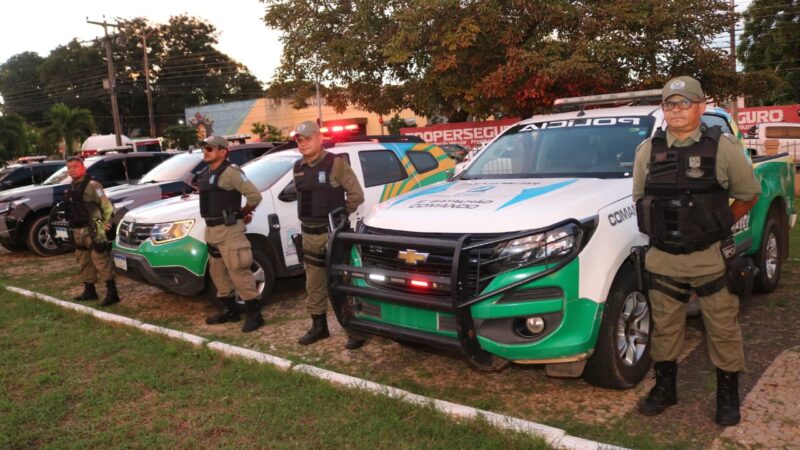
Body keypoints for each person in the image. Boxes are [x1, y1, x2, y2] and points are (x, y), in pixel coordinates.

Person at [633, 76, 761, 426]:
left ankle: (728, 396)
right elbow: (640, 199)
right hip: (663, 258)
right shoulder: (647, 151)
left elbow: (749, 194)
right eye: (670, 104)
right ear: (664, 109)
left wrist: (717, 224)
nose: (676, 110)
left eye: (684, 103)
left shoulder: (724, 148)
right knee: (664, 329)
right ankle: (666, 389)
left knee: (722, 328)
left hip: (709, 259)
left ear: (701, 106)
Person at [292, 120, 366, 349]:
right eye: (299, 140)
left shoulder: (336, 164)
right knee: (313, 284)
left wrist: (340, 218)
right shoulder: (298, 167)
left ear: (319, 138)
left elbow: (356, 195)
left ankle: (354, 329)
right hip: (309, 234)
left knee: (343, 282)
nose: (303, 144)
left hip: (332, 235)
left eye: (308, 139)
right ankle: (319, 326)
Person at [198, 135, 264, 333]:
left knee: (239, 271)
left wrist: (242, 213)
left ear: (222, 151)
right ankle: (230, 310)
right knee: (217, 272)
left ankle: (255, 314)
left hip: (230, 232)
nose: (205, 152)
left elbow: (254, 196)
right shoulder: (206, 172)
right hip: (211, 230)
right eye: (204, 148)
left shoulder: (231, 173)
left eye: (209, 149)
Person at [66, 156, 119, 306]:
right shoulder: (72, 186)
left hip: (94, 229)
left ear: (83, 168)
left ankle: (112, 292)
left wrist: (106, 222)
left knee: (100, 260)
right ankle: (90, 291)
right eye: (69, 167)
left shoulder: (93, 185)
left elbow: (106, 206)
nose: (71, 170)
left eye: (75, 166)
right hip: (78, 230)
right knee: (83, 261)